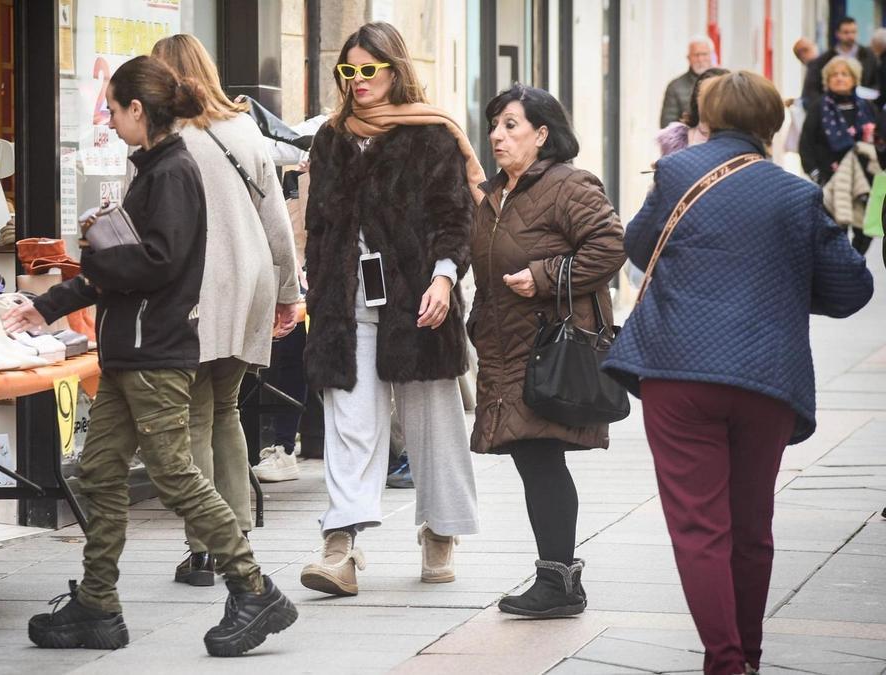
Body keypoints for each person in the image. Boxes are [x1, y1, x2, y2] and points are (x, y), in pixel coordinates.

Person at [4, 55, 296, 657]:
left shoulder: (171, 172)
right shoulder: (158, 169)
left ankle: (254, 588)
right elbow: (128, 264)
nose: (108, 122)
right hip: (132, 350)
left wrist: (96, 251)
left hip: (156, 350)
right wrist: (53, 303)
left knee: (174, 473)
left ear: (139, 109)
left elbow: (155, 262)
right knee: (99, 471)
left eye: (113, 109)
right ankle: (96, 604)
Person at [604, 71, 874, 675]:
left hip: (679, 372)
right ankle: (747, 655)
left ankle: (726, 663)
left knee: (700, 526)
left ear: (707, 116)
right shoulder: (796, 194)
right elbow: (852, 288)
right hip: (765, 377)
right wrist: (780, 278)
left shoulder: (677, 173)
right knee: (752, 525)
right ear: (772, 126)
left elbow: (639, 249)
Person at [300, 21, 483, 596]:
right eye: (347, 71)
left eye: (367, 70)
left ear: (394, 69)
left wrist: (445, 280)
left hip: (418, 299)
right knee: (349, 424)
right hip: (344, 303)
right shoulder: (331, 137)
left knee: (433, 425)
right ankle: (341, 544)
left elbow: (455, 218)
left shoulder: (432, 133)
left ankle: (439, 531)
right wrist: (313, 283)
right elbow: (320, 224)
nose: (357, 81)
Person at [149, 34, 302, 584]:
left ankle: (205, 548)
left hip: (195, 288)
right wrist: (289, 292)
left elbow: (142, 225)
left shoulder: (161, 139)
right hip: (252, 281)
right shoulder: (245, 130)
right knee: (227, 407)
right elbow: (277, 221)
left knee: (194, 412)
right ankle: (234, 531)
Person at [471, 84, 624, 618]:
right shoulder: (498, 193)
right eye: (494, 125)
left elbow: (609, 246)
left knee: (539, 457)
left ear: (542, 133)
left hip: (547, 346)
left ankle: (559, 581)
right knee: (534, 458)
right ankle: (558, 579)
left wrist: (543, 277)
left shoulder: (568, 185)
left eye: (511, 125)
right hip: (506, 347)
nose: (497, 135)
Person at [799, 56, 882, 255]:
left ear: (854, 79)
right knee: (835, 236)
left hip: (864, 185)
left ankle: (855, 264)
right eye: (834, 75)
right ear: (827, 80)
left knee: (863, 236)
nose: (839, 78)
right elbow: (806, 145)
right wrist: (817, 176)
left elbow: (879, 141)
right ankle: (843, 270)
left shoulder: (868, 108)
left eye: (844, 74)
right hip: (831, 183)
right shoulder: (819, 107)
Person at [657, 67, 729, 156]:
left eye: (717, 94)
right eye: (705, 94)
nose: (710, 101)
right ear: (696, 98)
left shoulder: (742, 140)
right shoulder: (677, 141)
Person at [660, 36, 715, 129]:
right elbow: (668, 127)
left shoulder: (723, 83)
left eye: (704, 54)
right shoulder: (675, 87)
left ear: (712, 56)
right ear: (688, 58)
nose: (700, 59)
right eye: (696, 55)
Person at [815, 16, 879, 89]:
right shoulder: (826, 58)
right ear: (837, 34)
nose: (850, 36)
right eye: (846, 32)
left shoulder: (869, 55)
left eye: (853, 32)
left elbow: (877, 82)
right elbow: (818, 85)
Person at [794, 37, 823, 107]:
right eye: (799, 54)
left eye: (805, 50)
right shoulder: (812, 69)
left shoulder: (820, 67)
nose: (803, 55)